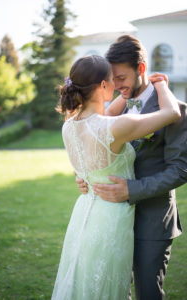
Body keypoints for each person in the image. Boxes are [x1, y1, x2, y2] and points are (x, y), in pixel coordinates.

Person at [51, 54, 180, 300]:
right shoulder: (116, 126)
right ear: (102, 86)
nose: (118, 85)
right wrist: (160, 83)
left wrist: (83, 178)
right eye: (113, 80)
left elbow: (87, 159)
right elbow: (172, 112)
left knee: (85, 280)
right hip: (112, 218)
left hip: (84, 215)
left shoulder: (68, 126)